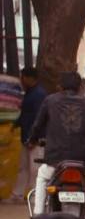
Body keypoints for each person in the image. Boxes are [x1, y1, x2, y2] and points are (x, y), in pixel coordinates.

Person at [28, 72, 85, 217]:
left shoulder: (50, 101)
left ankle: (38, 216)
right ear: (80, 86)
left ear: (60, 86)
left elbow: (37, 126)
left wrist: (32, 140)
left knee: (42, 176)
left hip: (54, 160)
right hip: (82, 161)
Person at [10, 67, 47, 203]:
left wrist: (34, 138)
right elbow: (25, 114)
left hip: (35, 139)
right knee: (24, 168)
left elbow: (39, 118)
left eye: (23, 77)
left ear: (29, 78)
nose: (21, 80)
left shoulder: (39, 95)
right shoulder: (30, 93)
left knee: (35, 169)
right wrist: (16, 125)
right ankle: (17, 194)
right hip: (26, 137)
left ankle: (35, 196)